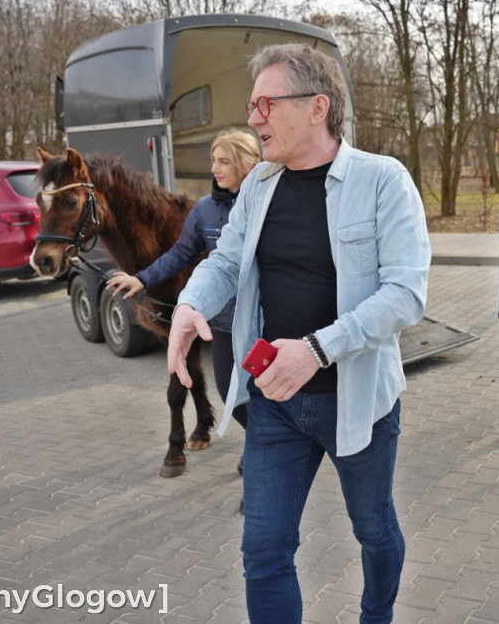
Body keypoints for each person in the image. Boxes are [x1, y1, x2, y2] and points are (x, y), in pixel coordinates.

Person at [166, 43, 430, 624]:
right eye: (251, 105)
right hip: (274, 406)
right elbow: (227, 263)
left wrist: (317, 349)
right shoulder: (259, 184)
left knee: (375, 531)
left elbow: (407, 294)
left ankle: (377, 616)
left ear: (317, 107)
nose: (254, 116)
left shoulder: (383, 180)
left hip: (356, 403)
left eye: (266, 103)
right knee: (262, 552)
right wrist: (189, 306)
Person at [107, 129, 261, 446]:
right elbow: (180, 253)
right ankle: (259, 441)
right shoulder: (204, 210)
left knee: (266, 391)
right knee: (229, 392)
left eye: (224, 161)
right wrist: (141, 278)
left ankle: (264, 453)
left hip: (266, 323)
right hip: (224, 323)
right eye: (213, 161)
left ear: (248, 164)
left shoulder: (269, 204)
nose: (215, 169)